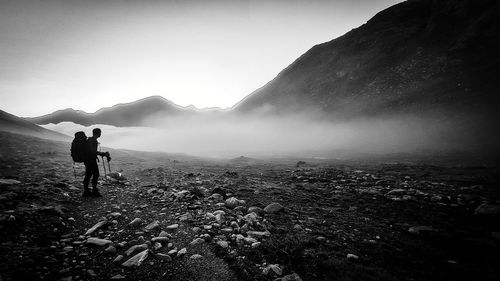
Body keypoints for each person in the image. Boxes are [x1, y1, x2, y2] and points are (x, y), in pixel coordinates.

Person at [83, 128, 111, 197]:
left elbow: (91, 151)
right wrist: (103, 154)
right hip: (91, 160)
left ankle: (86, 191)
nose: (100, 134)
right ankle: (94, 191)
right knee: (96, 174)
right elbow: (93, 151)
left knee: (88, 175)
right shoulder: (93, 141)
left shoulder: (90, 140)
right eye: (100, 132)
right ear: (98, 133)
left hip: (87, 160)